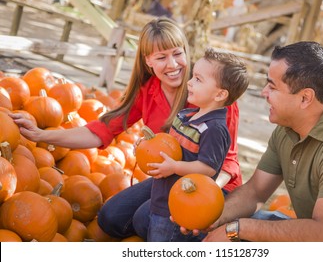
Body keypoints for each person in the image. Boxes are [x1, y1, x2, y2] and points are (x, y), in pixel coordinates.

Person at [9, 17, 243, 239]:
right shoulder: (148, 91)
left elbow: (228, 162)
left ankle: (211, 236)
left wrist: (204, 204)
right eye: (161, 57)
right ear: (147, 61)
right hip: (168, 176)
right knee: (111, 218)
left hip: (210, 184)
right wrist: (41, 134)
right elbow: (100, 130)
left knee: (149, 220)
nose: (173, 65)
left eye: (177, 54)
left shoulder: (211, 95)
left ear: (186, 52)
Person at [198, 41, 323, 242]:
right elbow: (255, 191)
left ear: (305, 98)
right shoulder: (288, 127)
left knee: (243, 231)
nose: (264, 92)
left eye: (272, 86)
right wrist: (213, 218)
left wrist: (237, 229)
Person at [143, 47, 249, 242]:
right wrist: (148, 146)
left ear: (219, 95)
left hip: (179, 207)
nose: (189, 82)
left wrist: (175, 167)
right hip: (162, 196)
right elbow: (171, 144)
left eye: (198, 80)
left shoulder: (214, 129)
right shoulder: (186, 115)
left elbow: (208, 168)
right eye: (192, 76)